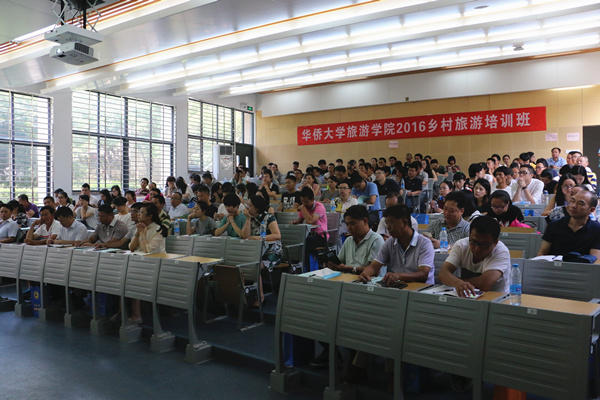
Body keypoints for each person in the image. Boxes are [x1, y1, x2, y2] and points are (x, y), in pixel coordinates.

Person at [359, 204, 435, 285]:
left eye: (391, 222)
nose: (388, 227)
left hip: (422, 288)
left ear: (404, 223)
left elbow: (423, 275)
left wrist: (399, 276)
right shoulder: (390, 242)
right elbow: (374, 266)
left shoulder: (425, 243)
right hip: (398, 287)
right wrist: (365, 274)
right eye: (386, 223)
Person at [438, 215, 511, 296]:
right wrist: (457, 282)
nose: (477, 249)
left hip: (495, 298)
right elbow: (443, 273)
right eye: (473, 242)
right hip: (468, 296)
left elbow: (484, 283)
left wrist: (458, 282)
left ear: (495, 243)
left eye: (484, 245)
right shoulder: (461, 245)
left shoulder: (501, 252)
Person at [241, 194, 283, 305]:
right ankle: (244, 296)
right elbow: (245, 236)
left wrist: (260, 238)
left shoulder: (268, 217)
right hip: (256, 252)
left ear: (257, 208)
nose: (247, 208)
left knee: (255, 266)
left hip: (272, 252)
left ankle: (260, 296)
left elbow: (277, 235)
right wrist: (247, 219)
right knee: (241, 265)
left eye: (250, 206)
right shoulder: (250, 218)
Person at [538, 190, 600, 261]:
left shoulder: (597, 229)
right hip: (554, 265)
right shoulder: (554, 225)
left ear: (591, 210)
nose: (573, 206)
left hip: (583, 267)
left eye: (580, 203)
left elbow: (595, 259)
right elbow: (542, 253)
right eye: (572, 201)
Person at [327, 205, 385, 275]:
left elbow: (374, 270)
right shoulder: (349, 241)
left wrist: (347, 268)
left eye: (352, 224)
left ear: (365, 221)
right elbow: (340, 263)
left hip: (369, 281)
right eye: (347, 224)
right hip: (349, 279)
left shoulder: (376, 240)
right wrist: (333, 265)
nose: (349, 228)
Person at [291, 187, 329, 269]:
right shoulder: (304, 207)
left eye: (306, 202)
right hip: (309, 235)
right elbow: (300, 220)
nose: (304, 203)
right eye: (302, 201)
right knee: (295, 241)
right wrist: (296, 221)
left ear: (313, 199)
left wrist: (303, 208)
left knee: (305, 243)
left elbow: (311, 221)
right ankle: (296, 264)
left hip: (321, 237)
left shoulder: (320, 207)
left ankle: (306, 267)